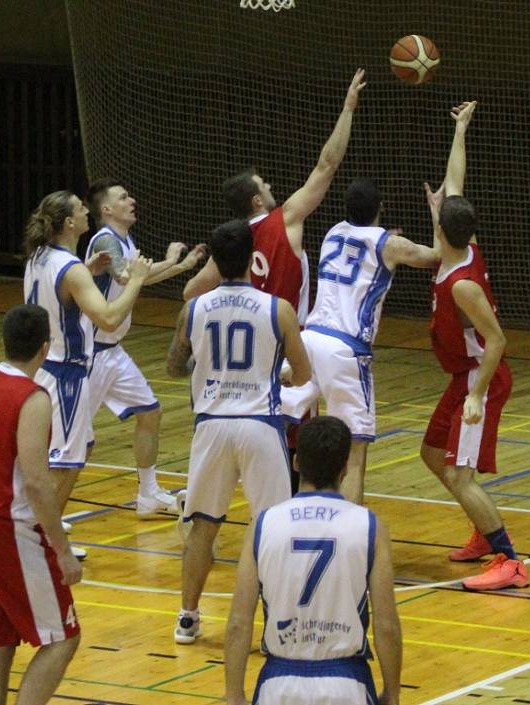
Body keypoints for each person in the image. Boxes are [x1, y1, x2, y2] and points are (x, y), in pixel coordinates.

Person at [183, 69, 367, 493]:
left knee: (257, 435)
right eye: (264, 185)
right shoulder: (284, 220)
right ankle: (295, 517)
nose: (270, 187)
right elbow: (327, 164)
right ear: (255, 199)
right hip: (288, 346)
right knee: (300, 446)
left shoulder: (232, 243)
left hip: (245, 358)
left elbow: (192, 293)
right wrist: (347, 108)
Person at [166, 219, 311, 644]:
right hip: (259, 426)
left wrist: (207, 364)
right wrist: (276, 375)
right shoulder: (278, 309)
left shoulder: (192, 308)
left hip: (211, 426)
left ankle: (188, 617)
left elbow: (174, 368)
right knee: (274, 529)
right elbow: (302, 374)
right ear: (253, 258)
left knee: (202, 528)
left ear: (213, 260)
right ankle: (278, 625)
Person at [0, 304, 83, 705]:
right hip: (3, 526)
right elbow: (38, 483)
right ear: (45, 348)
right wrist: (63, 552)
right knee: (63, 638)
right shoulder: (33, 398)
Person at [421, 101, 529, 591]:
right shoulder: (461, 245)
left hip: (479, 376)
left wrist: (476, 395)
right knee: (430, 453)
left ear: (442, 229)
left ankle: (509, 559)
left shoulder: (462, 284)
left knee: (461, 474)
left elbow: (498, 341)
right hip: (461, 375)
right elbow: (455, 183)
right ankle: (483, 535)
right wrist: (460, 129)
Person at [281, 177, 441, 504]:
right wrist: (436, 211)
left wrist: (386, 240)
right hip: (345, 350)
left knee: (288, 434)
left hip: (309, 342)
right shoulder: (391, 245)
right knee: (354, 453)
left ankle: (292, 514)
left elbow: (364, 246)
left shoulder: (333, 233)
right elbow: (437, 257)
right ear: (380, 208)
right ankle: (347, 532)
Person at [224, 416, 402, 705]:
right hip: (346, 684)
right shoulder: (369, 526)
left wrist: (234, 697)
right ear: (345, 469)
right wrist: (392, 694)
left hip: (278, 684)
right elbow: (386, 624)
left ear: (296, 463)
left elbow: (238, 622)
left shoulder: (264, 524)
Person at [23, 190, 152, 558]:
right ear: (69, 224)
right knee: (65, 462)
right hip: (66, 372)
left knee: (75, 449)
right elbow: (109, 317)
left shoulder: (39, 256)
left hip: (44, 365)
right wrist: (138, 280)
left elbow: (60, 293)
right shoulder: (71, 267)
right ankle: (42, 539)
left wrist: (88, 273)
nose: (86, 213)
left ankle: (39, 531)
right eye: (81, 210)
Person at [84, 178, 206, 518]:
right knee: (78, 440)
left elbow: (138, 276)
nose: (131, 199)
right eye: (123, 197)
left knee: (149, 412)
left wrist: (177, 265)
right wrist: (172, 264)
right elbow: (128, 279)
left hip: (112, 350)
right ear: (106, 209)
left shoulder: (122, 239)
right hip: (91, 353)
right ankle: (38, 508)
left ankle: (149, 494)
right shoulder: (106, 239)